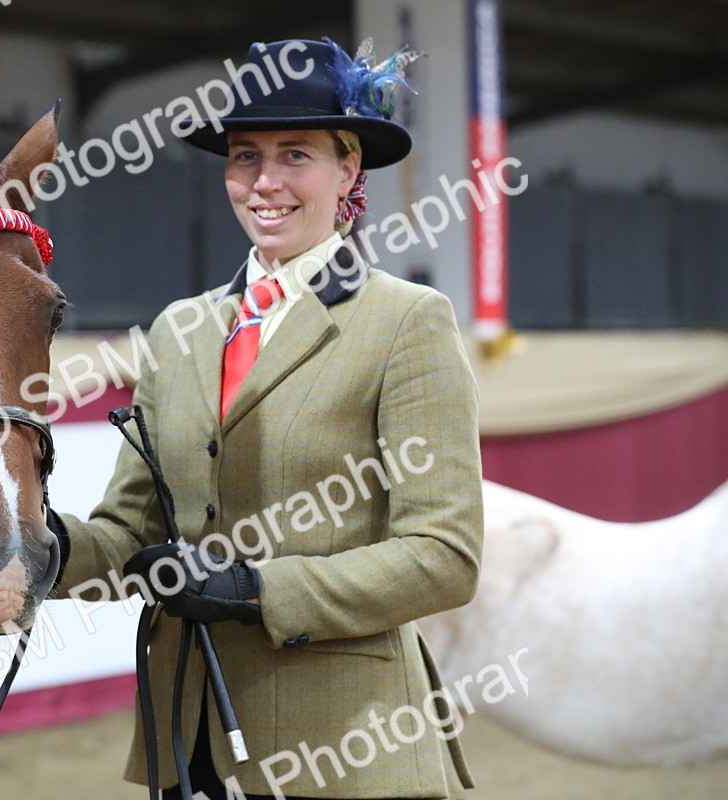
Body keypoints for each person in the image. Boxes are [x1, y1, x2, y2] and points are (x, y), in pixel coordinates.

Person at [48, 35, 483, 800]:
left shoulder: (408, 320)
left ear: (348, 167)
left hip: (348, 748)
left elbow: (444, 554)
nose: (264, 182)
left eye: (295, 155)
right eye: (245, 156)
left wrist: (256, 589)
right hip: (190, 743)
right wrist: (37, 546)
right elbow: (129, 534)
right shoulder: (179, 330)